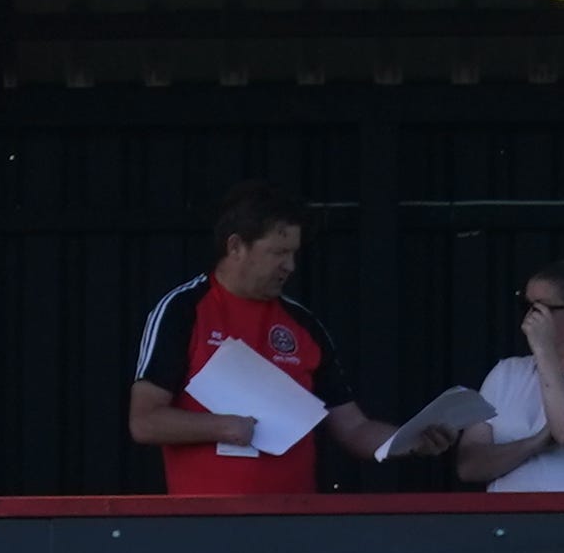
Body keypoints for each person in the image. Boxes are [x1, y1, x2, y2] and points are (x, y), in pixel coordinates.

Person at [126, 185, 390, 495]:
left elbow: (353, 429)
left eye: (293, 253)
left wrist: (410, 440)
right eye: (278, 252)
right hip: (203, 522)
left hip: (294, 521)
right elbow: (144, 421)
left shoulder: (303, 324)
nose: (289, 266)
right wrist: (224, 426)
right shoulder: (183, 310)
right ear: (236, 246)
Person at [384, 257, 564, 491]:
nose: (529, 317)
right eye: (524, 305)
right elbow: (470, 465)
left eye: (540, 309)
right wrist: (535, 443)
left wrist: (544, 351)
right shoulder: (506, 372)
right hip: (512, 522)